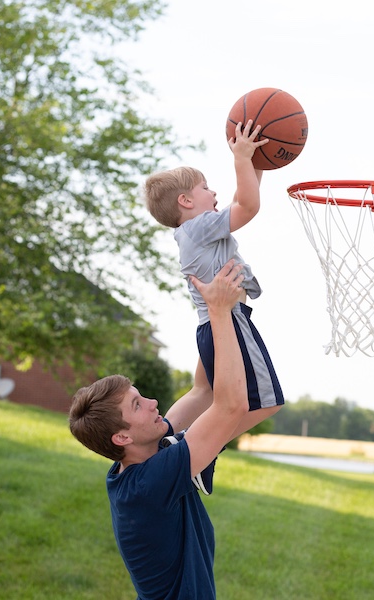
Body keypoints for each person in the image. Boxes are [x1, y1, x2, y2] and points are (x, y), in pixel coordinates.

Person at [68, 260, 257, 600]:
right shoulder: (149, 484)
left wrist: (214, 312)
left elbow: (203, 391)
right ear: (122, 437)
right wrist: (219, 310)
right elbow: (231, 406)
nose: (153, 402)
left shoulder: (138, 458)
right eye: (138, 405)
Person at [143, 119, 284, 493]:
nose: (213, 192)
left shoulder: (189, 231)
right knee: (267, 403)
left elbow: (243, 197)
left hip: (209, 327)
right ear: (185, 201)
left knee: (203, 392)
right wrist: (242, 158)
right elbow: (248, 205)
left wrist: (257, 162)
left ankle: (164, 443)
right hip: (228, 325)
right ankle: (195, 449)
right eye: (205, 187)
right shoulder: (201, 225)